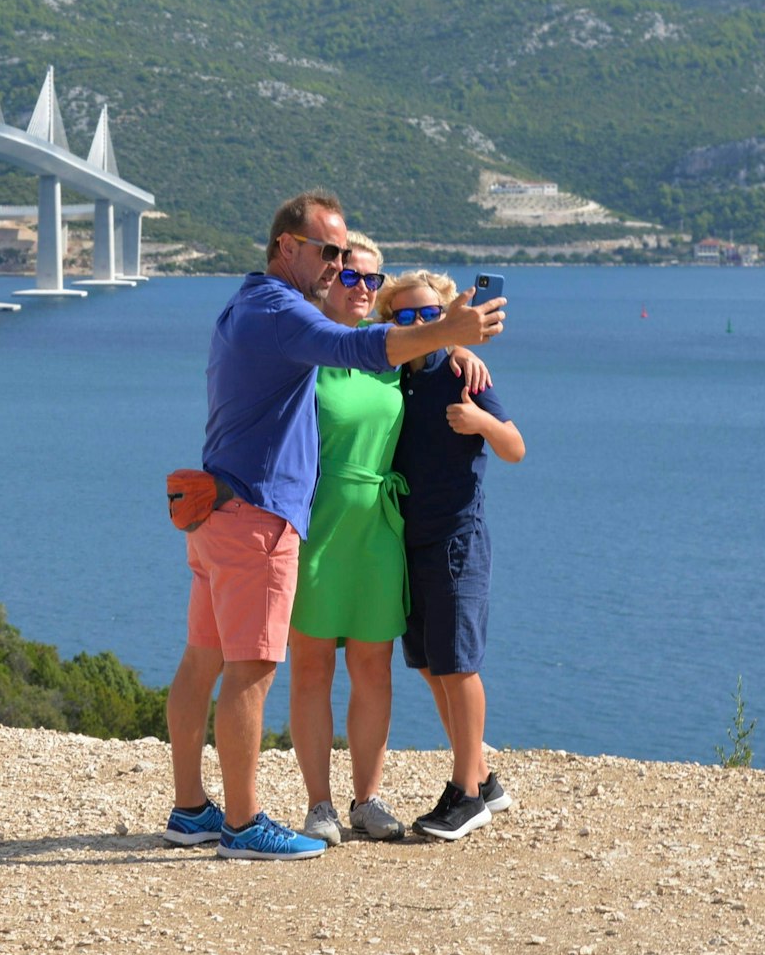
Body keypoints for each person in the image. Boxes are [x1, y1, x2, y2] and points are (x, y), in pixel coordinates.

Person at [163, 192, 506, 861]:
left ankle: (190, 808)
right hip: (258, 513)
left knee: (203, 658)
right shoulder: (280, 311)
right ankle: (241, 821)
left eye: (350, 257)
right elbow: (358, 344)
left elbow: (389, 360)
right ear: (287, 247)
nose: (339, 264)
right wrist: (446, 329)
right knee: (253, 669)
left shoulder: (247, 304)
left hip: (223, 508)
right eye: (330, 252)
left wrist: (454, 351)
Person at [285, 235, 490, 846]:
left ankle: (367, 799)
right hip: (318, 526)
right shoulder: (303, 350)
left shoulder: (391, 355)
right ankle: (318, 804)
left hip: (380, 528)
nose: (362, 288)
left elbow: (432, 355)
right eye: (350, 276)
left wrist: (459, 346)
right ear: (328, 277)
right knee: (313, 669)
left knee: (374, 668)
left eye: (372, 280)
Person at [380, 269, 526, 842]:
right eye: (406, 317)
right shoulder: (392, 375)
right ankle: (484, 777)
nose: (418, 326)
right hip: (406, 540)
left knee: (459, 662)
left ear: (445, 317)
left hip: (456, 537)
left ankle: (466, 793)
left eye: (429, 316)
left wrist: (480, 420)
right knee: (427, 661)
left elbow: (514, 447)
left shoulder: (463, 372)